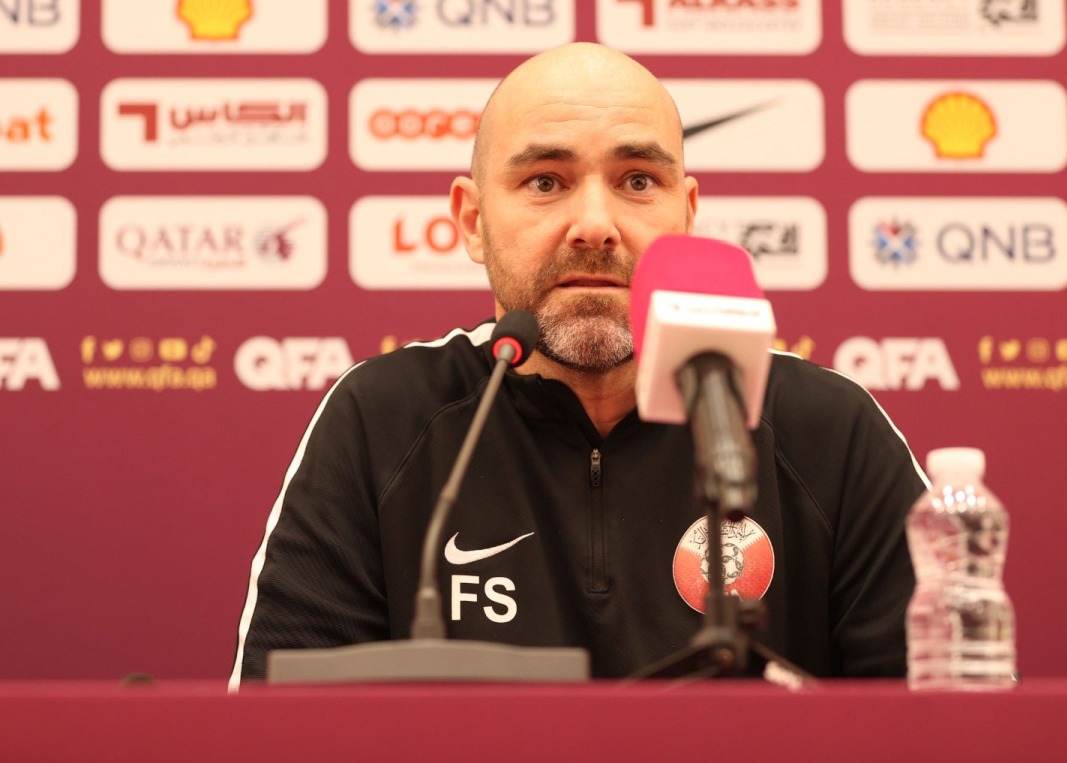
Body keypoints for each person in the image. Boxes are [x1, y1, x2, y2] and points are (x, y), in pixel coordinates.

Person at [229, 43, 927, 688]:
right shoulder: (383, 421)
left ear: (685, 213)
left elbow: (947, 724)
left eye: (636, 180)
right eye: (545, 182)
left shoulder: (827, 429)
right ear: (472, 221)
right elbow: (278, 731)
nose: (595, 223)